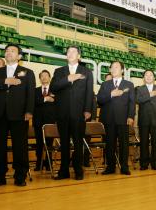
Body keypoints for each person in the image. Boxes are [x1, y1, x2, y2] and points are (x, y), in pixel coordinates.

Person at [0, 44, 35, 187]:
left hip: (19, 114)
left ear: (19, 56)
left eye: (12, 51)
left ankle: (20, 176)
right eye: (6, 51)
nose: (8, 52)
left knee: (20, 146)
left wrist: (29, 111)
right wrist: (5, 81)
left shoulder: (27, 72)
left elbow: (30, 94)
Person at [50, 46, 93, 180]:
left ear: (79, 56)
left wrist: (87, 110)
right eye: (68, 52)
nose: (70, 53)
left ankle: (78, 170)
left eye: (73, 52)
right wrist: (68, 79)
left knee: (78, 142)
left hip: (79, 113)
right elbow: (53, 88)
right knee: (64, 143)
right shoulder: (59, 71)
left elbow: (89, 92)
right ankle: (64, 171)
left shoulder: (87, 71)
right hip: (62, 112)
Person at [97, 61, 135, 175]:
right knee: (110, 144)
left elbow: (132, 102)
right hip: (108, 119)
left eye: (116, 67)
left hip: (123, 118)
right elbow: (99, 99)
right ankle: (110, 167)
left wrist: (130, 116)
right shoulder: (105, 84)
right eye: (111, 67)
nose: (113, 69)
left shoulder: (129, 84)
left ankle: (124, 167)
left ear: (122, 70)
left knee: (124, 144)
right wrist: (111, 95)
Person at [136, 70, 156, 170]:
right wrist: (150, 95)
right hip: (143, 119)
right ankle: (144, 164)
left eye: (151, 75)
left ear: (154, 77)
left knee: (155, 143)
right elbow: (138, 100)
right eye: (146, 75)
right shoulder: (139, 89)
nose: (148, 77)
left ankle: (155, 164)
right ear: (143, 78)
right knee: (143, 143)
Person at [33, 70, 56, 171]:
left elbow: (58, 104)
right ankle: (39, 163)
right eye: (42, 76)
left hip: (51, 121)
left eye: (46, 76)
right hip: (38, 121)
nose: (44, 77)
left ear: (49, 78)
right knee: (39, 143)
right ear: (40, 79)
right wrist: (46, 99)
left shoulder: (55, 90)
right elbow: (34, 102)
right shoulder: (35, 90)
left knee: (50, 143)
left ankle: (49, 163)